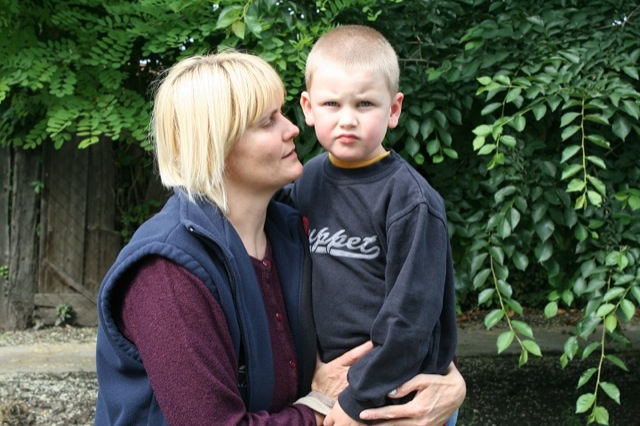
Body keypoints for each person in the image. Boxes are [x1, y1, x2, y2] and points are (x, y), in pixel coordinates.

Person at [95, 51, 464, 425]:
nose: (292, 129)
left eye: (282, 113)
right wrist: (320, 407)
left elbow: (401, 304)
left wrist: (449, 381)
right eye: (267, 122)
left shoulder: (293, 227)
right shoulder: (166, 275)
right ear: (217, 145)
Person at [283, 25, 459, 425]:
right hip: (334, 384)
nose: (347, 119)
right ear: (308, 108)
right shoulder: (306, 182)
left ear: (393, 110)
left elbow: (410, 320)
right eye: (331, 104)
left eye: (364, 104)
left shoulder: (410, 201)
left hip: (400, 394)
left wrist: (356, 399)